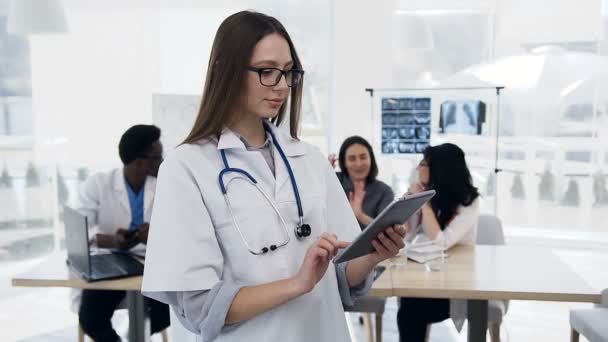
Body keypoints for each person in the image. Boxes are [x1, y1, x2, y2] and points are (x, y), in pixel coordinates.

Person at [141, 11, 407, 342]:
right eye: (267, 72)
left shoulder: (309, 159)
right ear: (225, 69)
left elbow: (340, 276)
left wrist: (373, 254)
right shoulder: (186, 168)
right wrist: (298, 282)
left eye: (288, 73)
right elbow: (201, 308)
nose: (281, 86)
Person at [76, 124, 169, 342]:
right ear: (140, 162)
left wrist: (157, 235)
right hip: (112, 263)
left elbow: (181, 226)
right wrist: (111, 241)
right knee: (90, 318)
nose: (162, 162)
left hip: (152, 265)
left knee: (169, 309)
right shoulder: (98, 184)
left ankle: (135, 336)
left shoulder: (165, 184)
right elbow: (81, 228)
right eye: (157, 157)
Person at [396, 143, 480, 342]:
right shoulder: (433, 194)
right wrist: (408, 205)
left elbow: (442, 242)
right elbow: (407, 236)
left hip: (457, 286)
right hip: (430, 276)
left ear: (441, 169)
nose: (418, 168)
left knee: (410, 310)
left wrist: (424, 203)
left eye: (423, 164)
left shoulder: (469, 201)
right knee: (408, 304)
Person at [329, 136, 394, 229]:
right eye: (352, 159)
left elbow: (387, 230)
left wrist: (360, 215)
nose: (358, 164)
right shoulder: (334, 181)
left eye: (363, 157)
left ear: (371, 159)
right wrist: (325, 173)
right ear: (344, 162)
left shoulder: (384, 191)